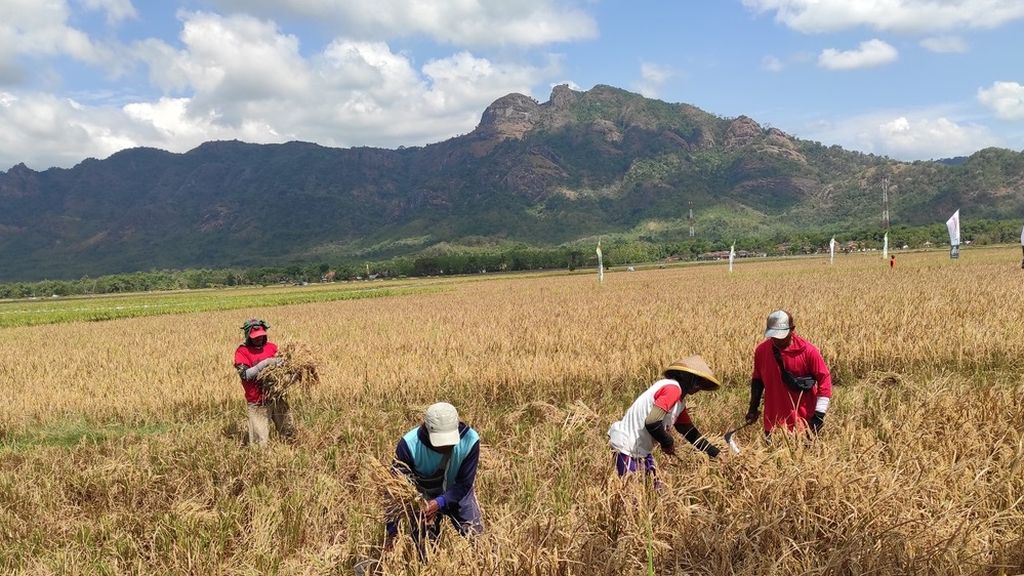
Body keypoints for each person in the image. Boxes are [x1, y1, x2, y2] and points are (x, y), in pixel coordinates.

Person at [385, 402, 483, 549]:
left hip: (458, 492)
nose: (445, 447)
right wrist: (392, 532)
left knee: (477, 541)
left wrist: (440, 502)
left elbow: (464, 483)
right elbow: (395, 493)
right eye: (441, 442)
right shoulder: (409, 445)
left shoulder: (470, 440)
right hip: (423, 498)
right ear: (426, 430)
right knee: (423, 547)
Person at [608, 356, 722, 479]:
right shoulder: (672, 389)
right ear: (686, 377)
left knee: (655, 491)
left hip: (641, 450)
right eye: (697, 381)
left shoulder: (679, 403)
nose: (699, 386)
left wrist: (716, 454)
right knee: (633, 495)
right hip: (628, 448)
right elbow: (652, 422)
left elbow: (689, 432)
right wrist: (667, 442)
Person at [745, 310, 832, 436]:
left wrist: (819, 415)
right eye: (774, 336)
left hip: (804, 423)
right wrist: (753, 408)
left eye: (782, 336)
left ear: (792, 330)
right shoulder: (761, 351)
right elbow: (757, 380)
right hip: (773, 422)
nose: (778, 340)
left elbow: (824, 379)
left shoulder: (808, 351)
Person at [233, 318, 293, 446]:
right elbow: (245, 375)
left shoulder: (272, 347)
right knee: (259, 441)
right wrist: (265, 363)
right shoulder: (242, 352)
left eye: (261, 336)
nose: (259, 338)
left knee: (288, 431)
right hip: (257, 401)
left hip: (277, 397)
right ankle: (261, 462)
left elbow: (284, 369)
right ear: (248, 336)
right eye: (255, 337)